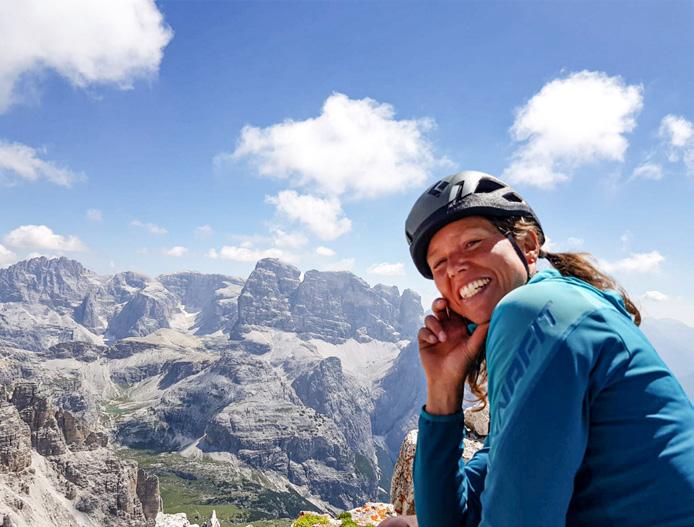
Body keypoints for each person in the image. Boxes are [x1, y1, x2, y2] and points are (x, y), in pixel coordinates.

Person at [378, 171, 694, 527]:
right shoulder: (550, 315)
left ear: (528, 245)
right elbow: (447, 520)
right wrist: (442, 385)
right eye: (439, 263)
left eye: (472, 243)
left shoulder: (534, 311)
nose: (455, 267)